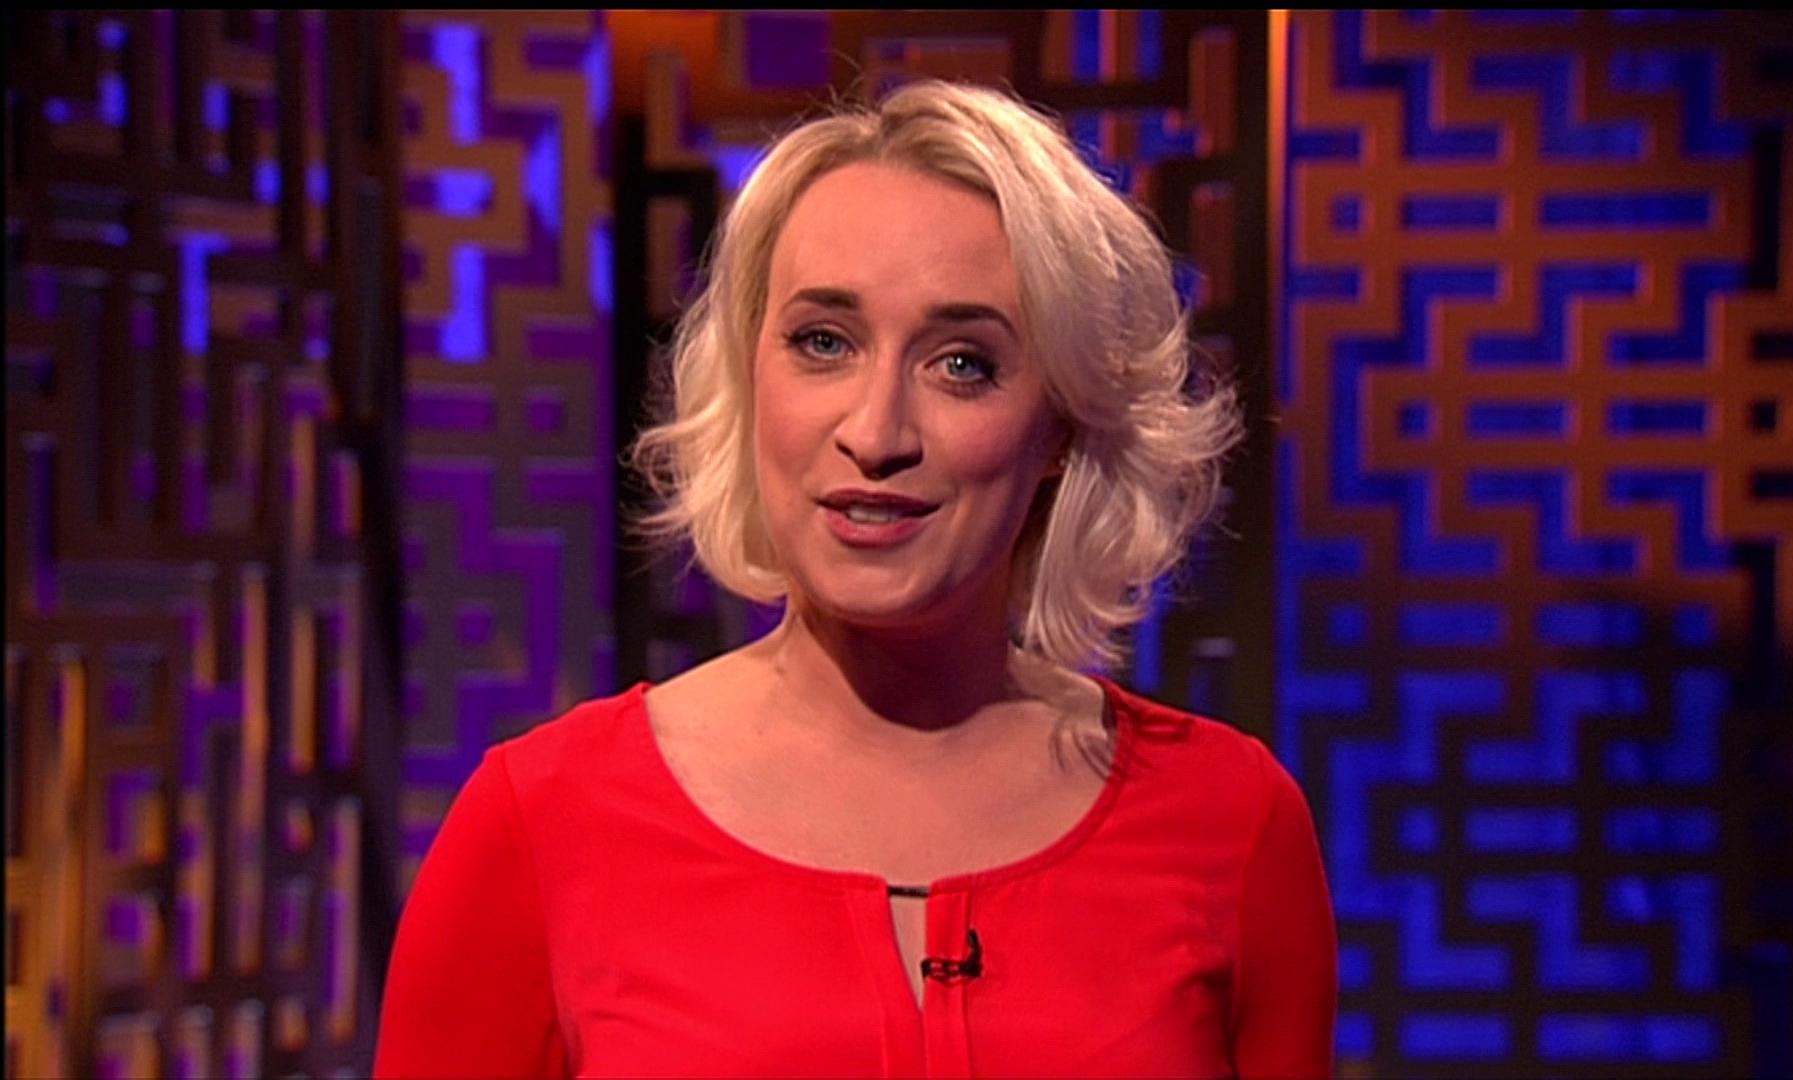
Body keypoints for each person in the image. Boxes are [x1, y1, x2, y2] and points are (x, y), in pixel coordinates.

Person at [374, 78, 1335, 1078]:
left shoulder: (1230, 825)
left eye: (962, 364)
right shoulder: (541, 825)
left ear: (1059, 423)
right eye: (823, 343)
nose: (876, 434)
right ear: (750, 375)